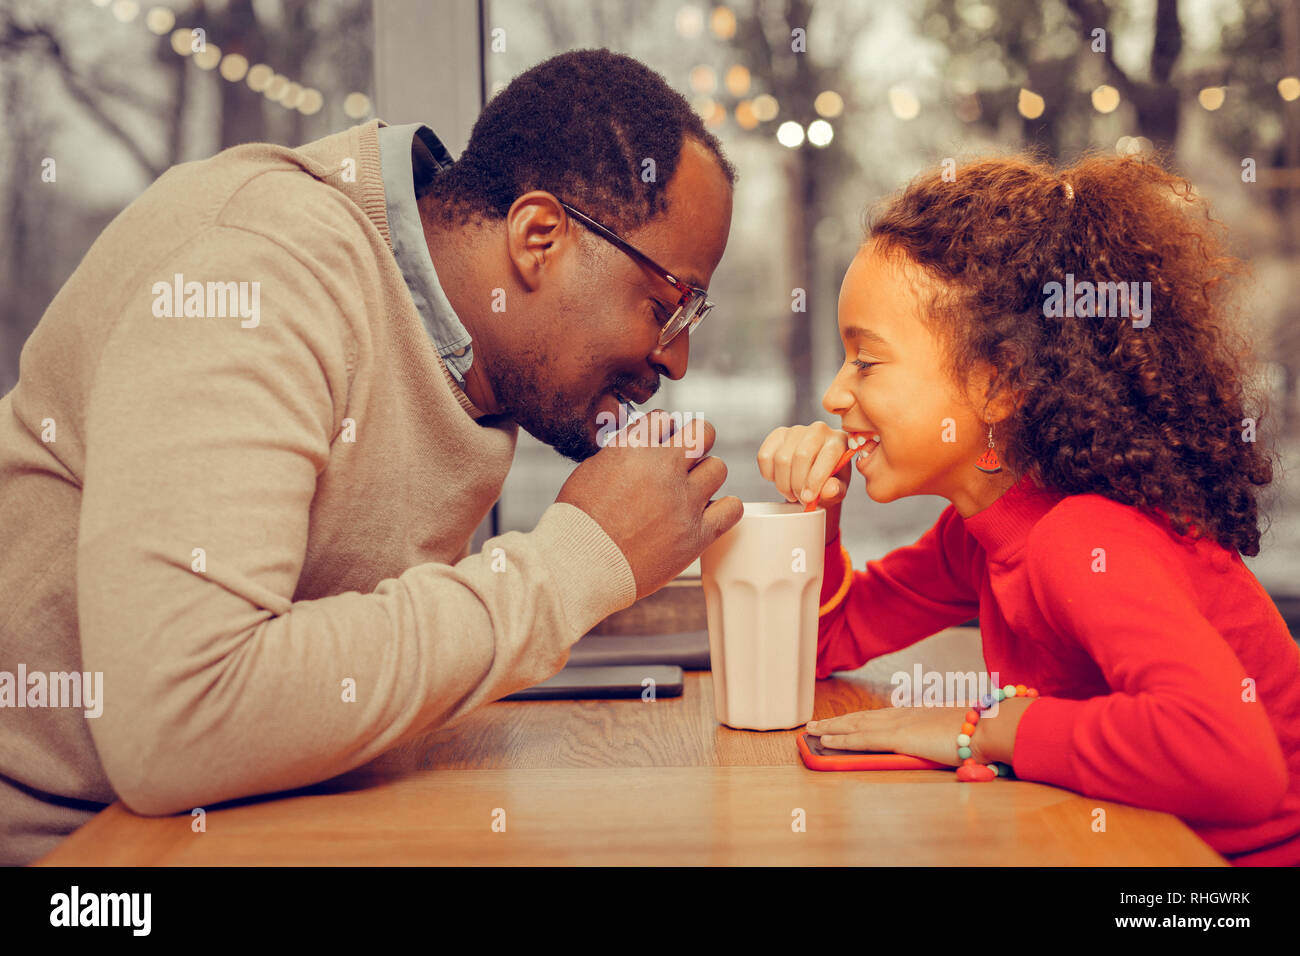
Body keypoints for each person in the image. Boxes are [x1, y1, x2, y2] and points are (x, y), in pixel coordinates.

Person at [0, 49, 742, 865]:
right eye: (669, 306)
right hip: (74, 853)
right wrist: (572, 564)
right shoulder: (261, 272)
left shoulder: (461, 353)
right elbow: (181, 720)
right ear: (539, 238)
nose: (675, 363)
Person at [757, 153, 1300, 866]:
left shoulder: (1083, 538)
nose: (834, 394)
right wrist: (819, 524)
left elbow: (1235, 764)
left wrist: (991, 729)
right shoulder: (978, 534)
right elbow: (824, 650)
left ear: (997, 386)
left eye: (866, 360)